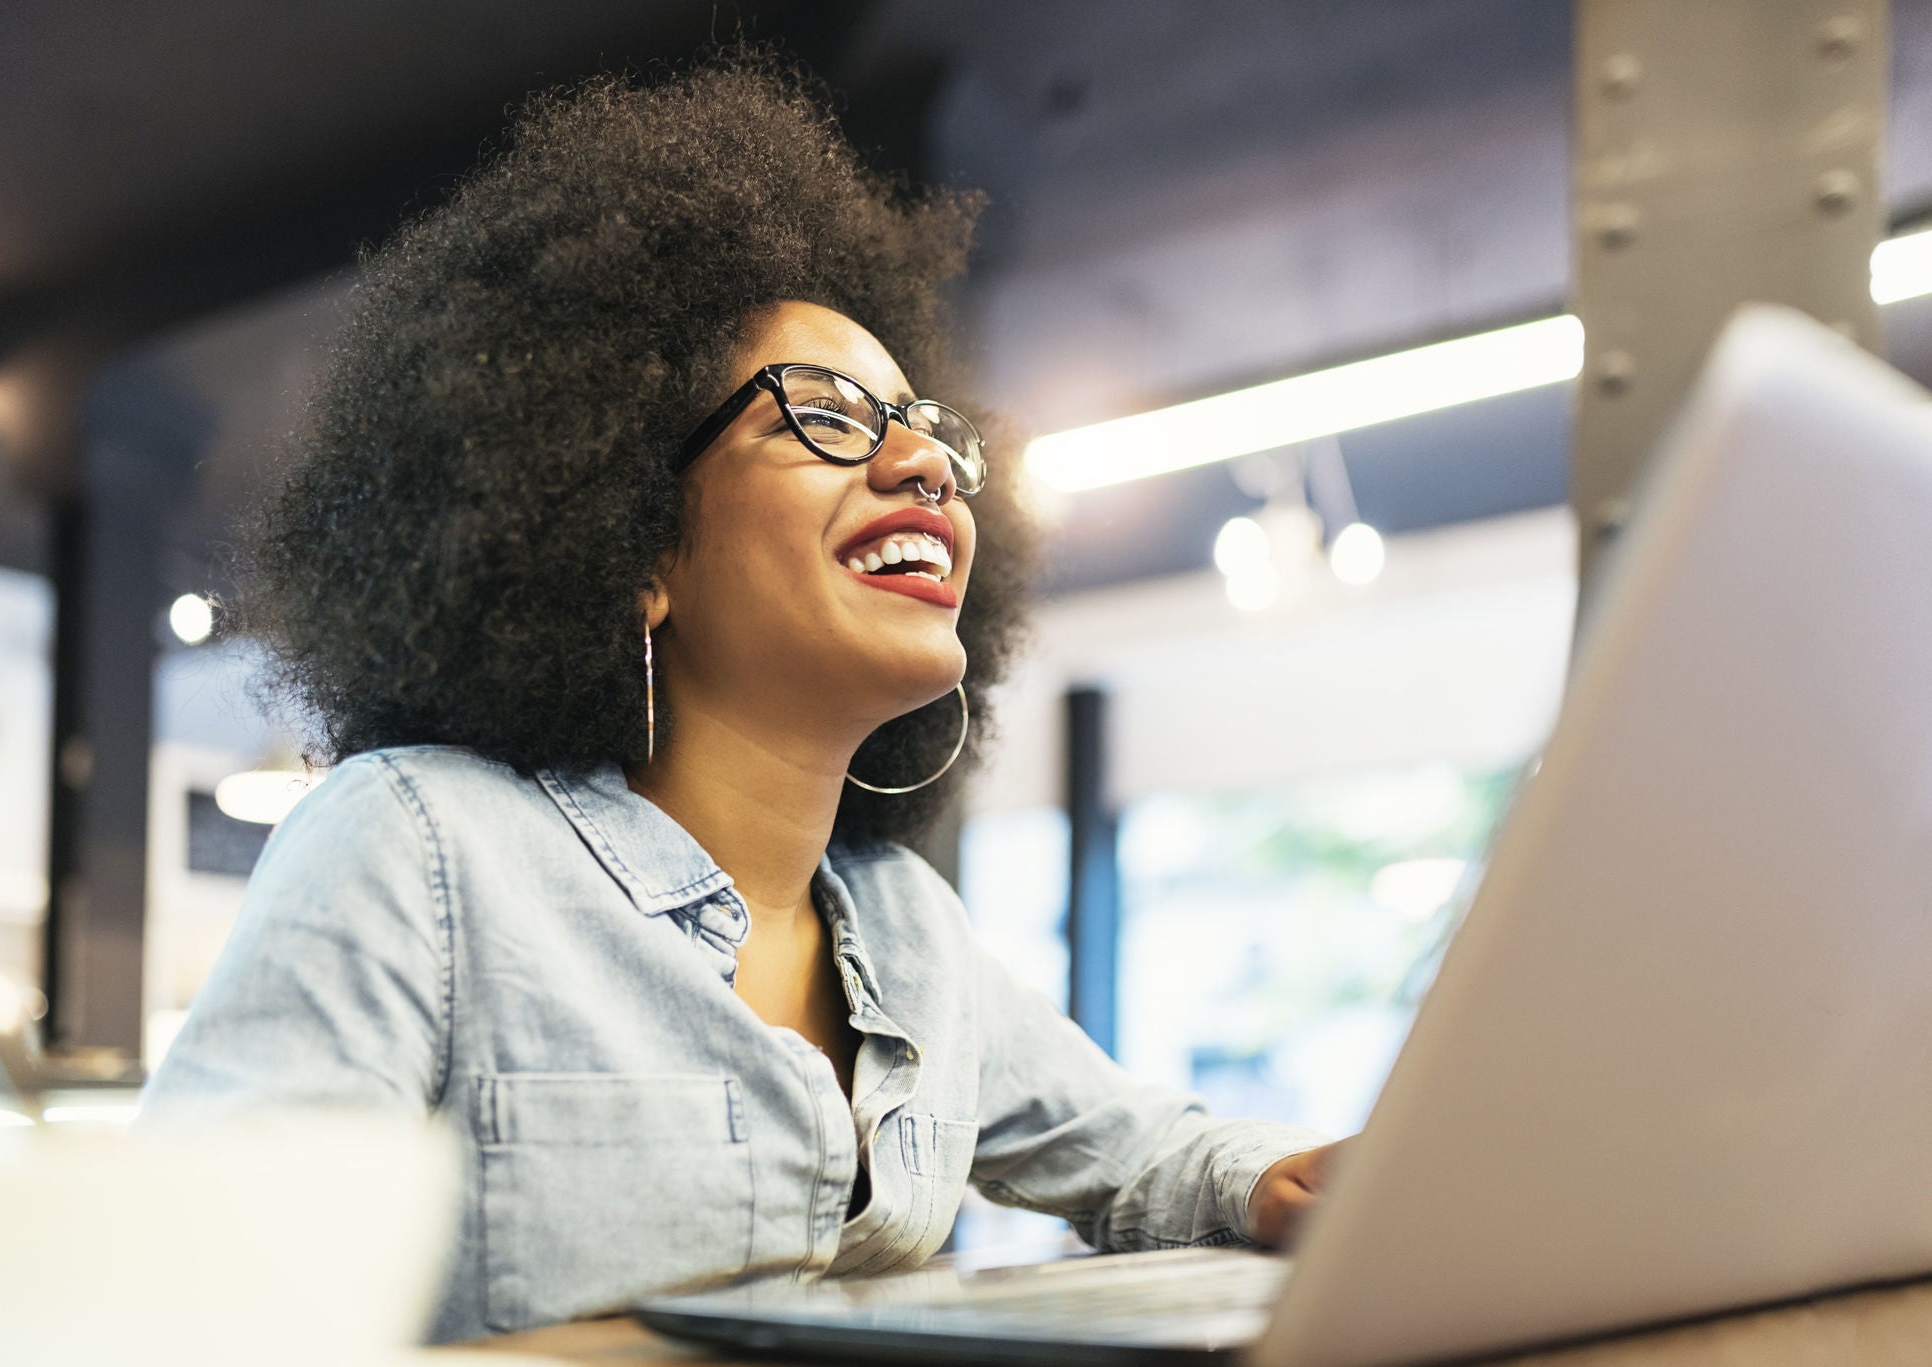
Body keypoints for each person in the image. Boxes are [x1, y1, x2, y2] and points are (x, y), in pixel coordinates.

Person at [140, 53, 1341, 1344]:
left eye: (930, 428)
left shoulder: (910, 934)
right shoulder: (419, 848)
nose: (924, 461)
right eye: (824, 413)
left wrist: (1293, 1179)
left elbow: (1143, 1152)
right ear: (633, 544)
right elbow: (201, 1302)